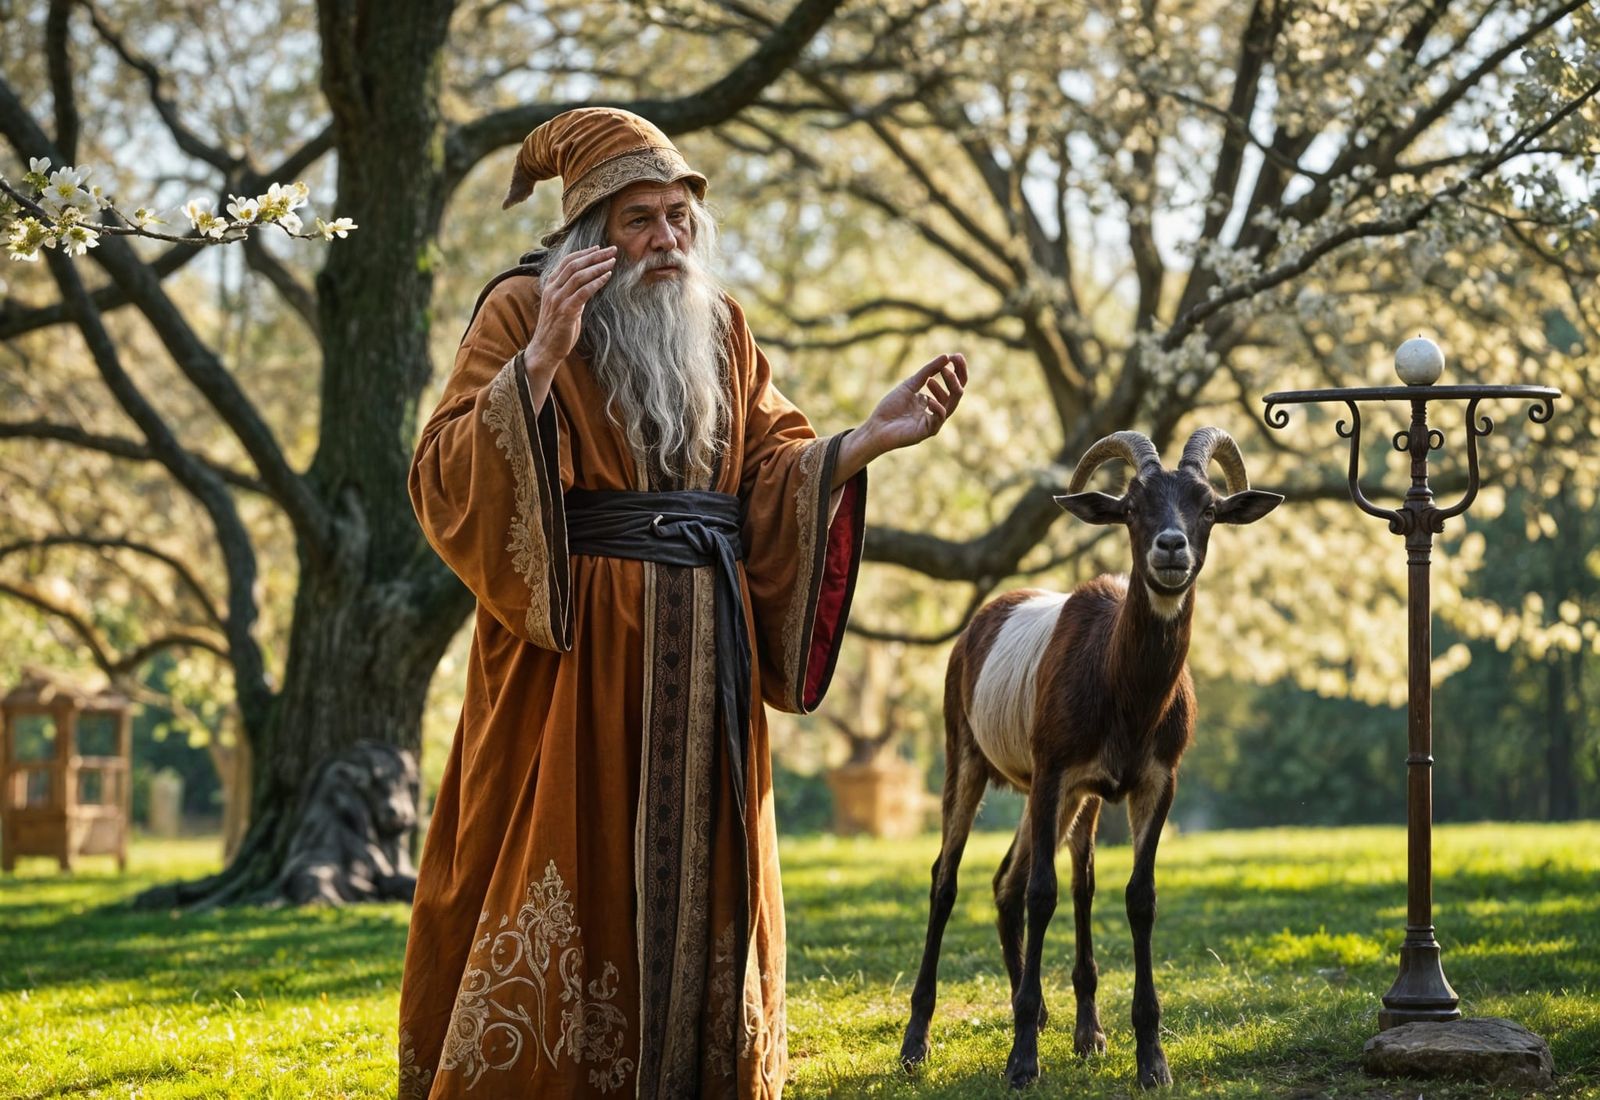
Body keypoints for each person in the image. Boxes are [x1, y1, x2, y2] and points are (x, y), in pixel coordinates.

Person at [398, 107, 967, 1099]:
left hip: (709, 653)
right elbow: (443, 473)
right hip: (575, 661)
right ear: (589, 234)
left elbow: (770, 466)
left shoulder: (723, 324)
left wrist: (864, 440)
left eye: (678, 217)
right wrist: (542, 357)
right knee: (568, 854)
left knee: (705, 873)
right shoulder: (520, 309)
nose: (666, 238)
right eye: (639, 220)